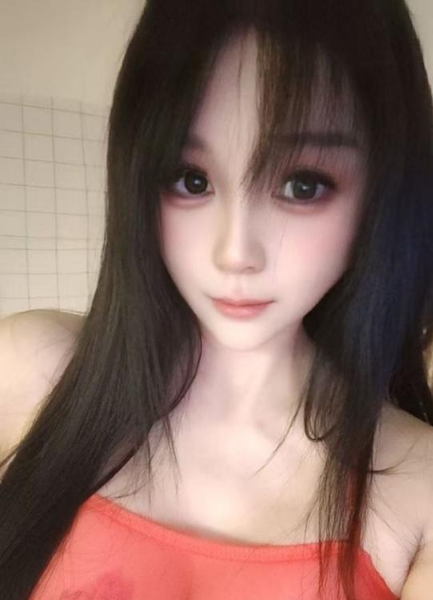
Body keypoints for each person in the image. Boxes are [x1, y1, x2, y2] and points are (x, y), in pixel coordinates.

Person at [0, 0, 432, 598]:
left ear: (381, 194)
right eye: (192, 180)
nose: (235, 253)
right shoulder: (29, 373)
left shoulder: (420, 486)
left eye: (302, 184)